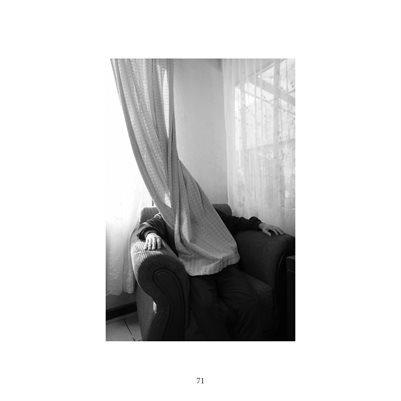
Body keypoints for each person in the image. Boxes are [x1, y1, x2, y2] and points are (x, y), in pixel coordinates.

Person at [137, 208, 284, 340]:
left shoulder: (206, 210)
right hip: (195, 270)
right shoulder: (165, 215)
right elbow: (145, 226)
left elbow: (234, 222)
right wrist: (150, 234)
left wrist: (259, 224)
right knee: (205, 307)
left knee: (248, 301)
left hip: (223, 264)